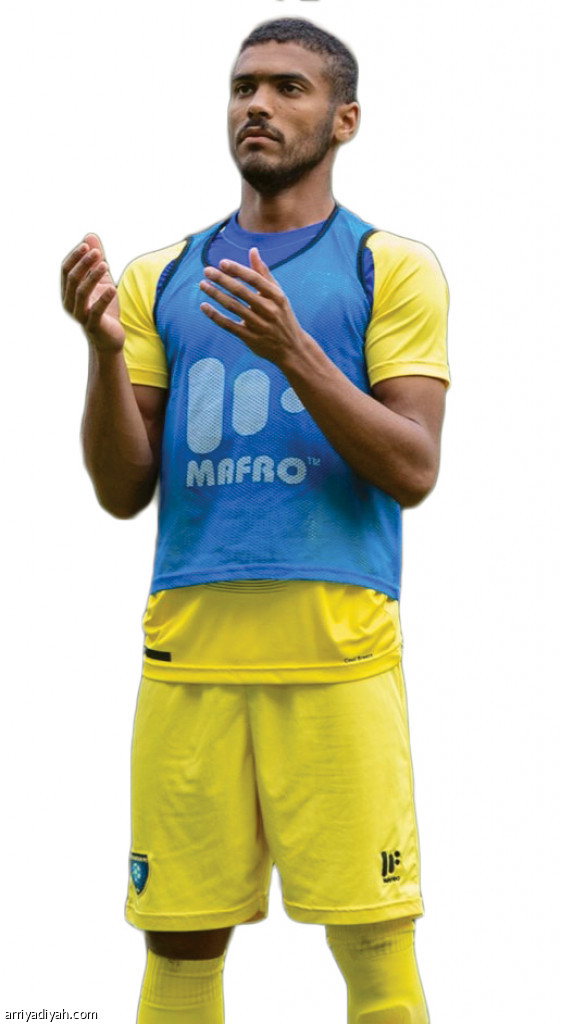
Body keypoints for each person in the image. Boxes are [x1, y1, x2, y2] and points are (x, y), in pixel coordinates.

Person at [61, 16, 449, 1024]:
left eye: (287, 87)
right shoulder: (161, 276)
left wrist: (293, 351)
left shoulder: (388, 266)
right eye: (243, 88)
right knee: (178, 943)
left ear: (344, 119)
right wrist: (103, 354)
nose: (258, 107)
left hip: (336, 650)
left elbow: (413, 467)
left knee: (374, 941)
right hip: (189, 652)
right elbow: (122, 489)